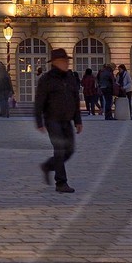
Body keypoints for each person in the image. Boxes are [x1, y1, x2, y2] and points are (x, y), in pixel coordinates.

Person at [33, 48, 81, 194]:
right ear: (55, 62)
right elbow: (39, 102)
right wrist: (39, 122)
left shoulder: (70, 77)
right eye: (64, 61)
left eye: (67, 61)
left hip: (66, 120)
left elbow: (75, 100)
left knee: (69, 150)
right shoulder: (46, 79)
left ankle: (48, 166)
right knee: (59, 149)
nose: (67, 63)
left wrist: (78, 120)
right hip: (52, 120)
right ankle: (61, 182)